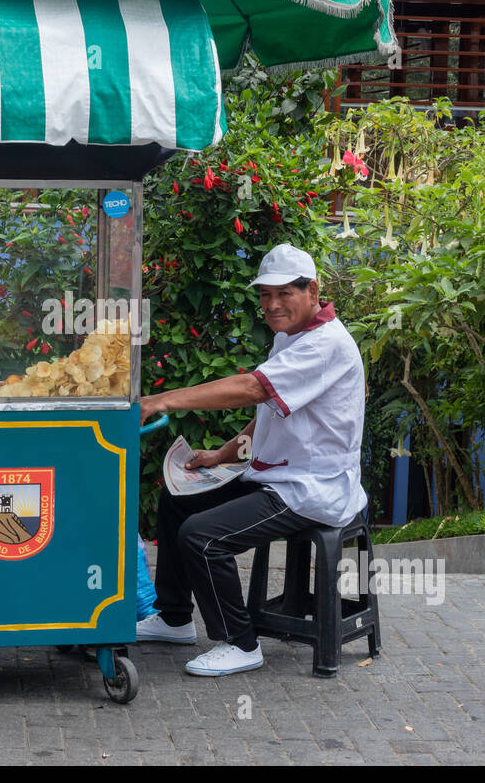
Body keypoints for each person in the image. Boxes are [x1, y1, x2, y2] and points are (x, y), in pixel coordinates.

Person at [136, 243, 367, 677]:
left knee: (201, 536)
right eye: (265, 295)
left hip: (309, 488)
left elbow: (253, 389)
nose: (273, 305)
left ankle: (240, 644)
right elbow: (272, 408)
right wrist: (222, 455)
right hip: (277, 474)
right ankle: (174, 619)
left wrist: (161, 400)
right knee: (176, 500)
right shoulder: (291, 337)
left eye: (284, 294)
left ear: (313, 290)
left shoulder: (325, 345)